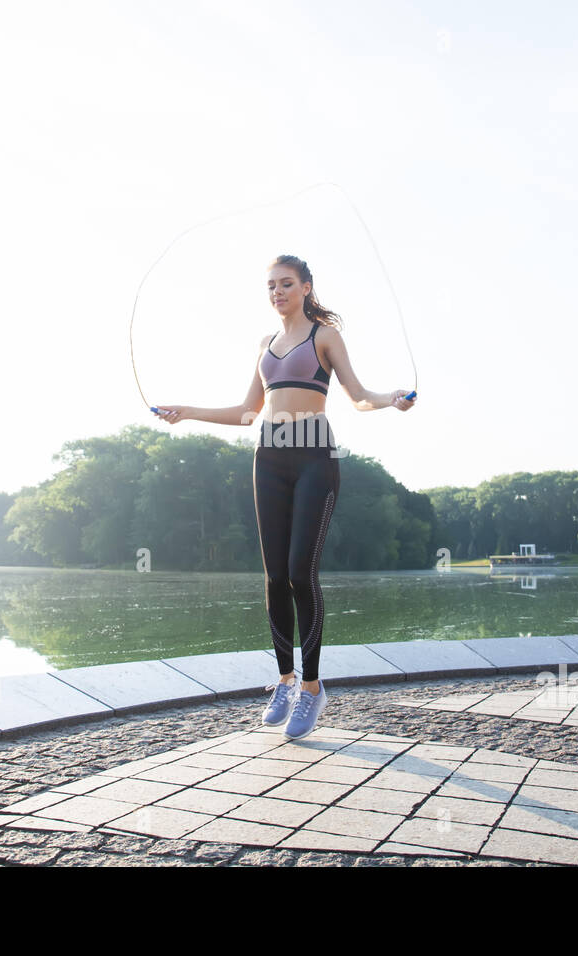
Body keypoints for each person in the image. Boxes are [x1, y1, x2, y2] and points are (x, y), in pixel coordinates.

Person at [152, 254, 415, 739]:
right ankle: (285, 681)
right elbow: (247, 411)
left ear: (307, 287)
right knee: (274, 577)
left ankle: (312, 690)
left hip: (315, 457)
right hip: (268, 458)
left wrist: (389, 400)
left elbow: (356, 395)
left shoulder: (324, 336)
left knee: (299, 572)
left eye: (286, 284)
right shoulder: (265, 344)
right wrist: (186, 411)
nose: (277, 292)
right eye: (271, 285)